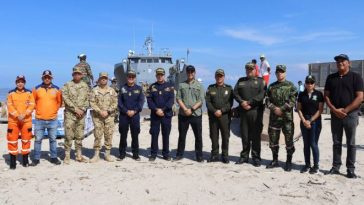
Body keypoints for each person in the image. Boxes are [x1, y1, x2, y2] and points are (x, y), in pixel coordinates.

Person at [324, 54, 364, 178]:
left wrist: (345, 110)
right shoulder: (331, 78)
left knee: (351, 143)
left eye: (342, 61)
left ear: (349, 63)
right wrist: (335, 110)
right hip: (335, 115)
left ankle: (350, 169)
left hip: (351, 114)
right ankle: (336, 166)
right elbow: (326, 96)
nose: (340, 63)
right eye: (338, 61)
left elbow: (360, 97)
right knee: (336, 142)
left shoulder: (356, 77)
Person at [266, 65, 297, 171]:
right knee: (273, 140)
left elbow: (293, 101)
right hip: (274, 119)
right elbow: (267, 100)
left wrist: (281, 109)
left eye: (282, 72)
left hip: (286, 119)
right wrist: (274, 109)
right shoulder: (271, 86)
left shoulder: (291, 86)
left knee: (289, 141)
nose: (280, 73)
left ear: (285, 73)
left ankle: (289, 161)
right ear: (275, 73)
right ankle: (275, 160)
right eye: (278, 72)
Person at [234, 63, 265, 166]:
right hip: (243, 112)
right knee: (245, 136)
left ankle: (256, 158)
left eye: (251, 69)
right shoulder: (241, 81)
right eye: (247, 69)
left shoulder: (260, 81)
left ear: (255, 70)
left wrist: (250, 102)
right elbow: (235, 93)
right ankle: (244, 157)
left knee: (256, 136)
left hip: (255, 112)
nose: (249, 71)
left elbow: (262, 95)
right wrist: (242, 102)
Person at [31, 70, 62, 166]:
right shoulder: (36, 89)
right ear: (42, 78)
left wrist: (53, 111)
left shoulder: (57, 89)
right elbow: (33, 102)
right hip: (39, 119)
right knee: (38, 140)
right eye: (45, 77)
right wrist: (39, 111)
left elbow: (59, 102)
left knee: (53, 139)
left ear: (51, 78)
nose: (47, 79)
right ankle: (36, 158)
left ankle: (53, 157)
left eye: (48, 77)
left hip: (52, 119)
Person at [175, 65, 205, 162]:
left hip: (196, 115)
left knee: (198, 137)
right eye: (188, 72)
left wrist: (191, 110)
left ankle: (199, 156)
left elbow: (201, 100)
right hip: (183, 115)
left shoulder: (199, 86)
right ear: (187, 73)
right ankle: (179, 154)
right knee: (182, 136)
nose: (190, 73)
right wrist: (185, 109)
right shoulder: (181, 85)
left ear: (194, 73)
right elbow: (178, 98)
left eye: (192, 72)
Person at [62, 67, 90, 164]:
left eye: (78, 74)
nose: (77, 75)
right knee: (68, 136)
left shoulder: (85, 86)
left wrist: (82, 109)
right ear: (72, 75)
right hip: (70, 114)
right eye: (75, 74)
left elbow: (88, 99)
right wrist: (75, 109)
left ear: (81, 75)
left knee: (79, 136)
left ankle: (79, 155)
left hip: (81, 115)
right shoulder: (67, 85)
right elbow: (65, 98)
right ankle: (67, 156)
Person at [6, 75, 35, 169]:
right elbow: (9, 106)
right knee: (12, 140)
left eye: (22, 81)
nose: (20, 83)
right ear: (16, 83)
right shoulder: (11, 93)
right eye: (18, 81)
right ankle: (13, 163)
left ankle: (25, 161)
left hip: (26, 121)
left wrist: (24, 114)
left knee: (26, 140)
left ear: (24, 83)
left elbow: (32, 105)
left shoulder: (29, 93)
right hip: (13, 121)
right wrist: (18, 115)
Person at [146, 68, 175, 161]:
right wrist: (156, 109)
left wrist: (163, 110)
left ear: (164, 75)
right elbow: (149, 101)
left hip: (166, 114)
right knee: (154, 134)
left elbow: (171, 100)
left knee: (166, 134)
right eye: (158, 75)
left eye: (161, 75)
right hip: (155, 115)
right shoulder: (152, 87)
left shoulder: (170, 87)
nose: (160, 76)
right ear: (156, 76)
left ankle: (165, 154)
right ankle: (153, 154)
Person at [205, 69, 233, 163]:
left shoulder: (229, 88)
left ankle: (225, 156)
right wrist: (214, 111)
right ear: (215, 77)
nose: (219, 78)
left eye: (221, 76)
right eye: (217, 76)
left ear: (224, 77)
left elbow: (230, 103)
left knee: (225, 136)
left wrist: (222, 110)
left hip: (224, 116)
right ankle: (214, 155)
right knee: (214, 136)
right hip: (213, 116)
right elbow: (208, 102)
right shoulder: (210, 88)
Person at [297, 75, 324, 174]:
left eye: (311, 82)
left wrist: (310, 120)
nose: (309, 84)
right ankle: (307, 164)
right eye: (307, 82)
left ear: (314, 84)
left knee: (313, 143)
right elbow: (299, 109)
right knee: (306, 144)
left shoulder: (319, 94)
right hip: (304, 120)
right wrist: (304, 120)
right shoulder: (301, 94)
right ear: (305, 83)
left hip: (315, 121)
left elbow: (320, 110)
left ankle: (316, 166)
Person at [89, 72, 118, 163]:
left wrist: (108, 111)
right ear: (99, 79)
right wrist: (99, 111)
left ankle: (107, 154)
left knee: (108, 135)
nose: (103, 79)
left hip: (109, 116)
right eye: (102, 78)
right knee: (97, 135)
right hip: (98, 117)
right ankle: (96, 154)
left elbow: (115, 103)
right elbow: (92, 102)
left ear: (107, 79)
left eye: (105, 78)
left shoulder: (112, 90)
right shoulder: (94, 90)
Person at [118, 70, 145, 161]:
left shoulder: (139, 88)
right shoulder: (122, 88)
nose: (131, 78)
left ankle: (135, 154)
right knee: (123, 135)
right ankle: (122, 153)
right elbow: (119, 102)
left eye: (132, 77)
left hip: (135, 115)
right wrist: (126, 111)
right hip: (124, 115)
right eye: (129, 77)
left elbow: (141, 102)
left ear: (135, 78)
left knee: (135, 135)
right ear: (127, 77)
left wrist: (134, 111)